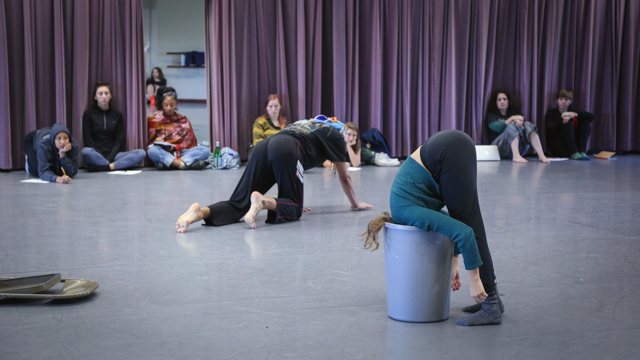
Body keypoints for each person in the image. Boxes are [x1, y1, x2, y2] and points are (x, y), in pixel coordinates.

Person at [362, 130, 503, 326]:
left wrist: (475, 281)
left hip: (447, 151)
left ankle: (491, 305)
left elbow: (465, 233)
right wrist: (454, 263)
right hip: (451, 145)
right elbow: (450, 225)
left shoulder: (407, 213)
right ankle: (492, 300)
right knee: (467, 220)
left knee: (471, 225)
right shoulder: (403, 208)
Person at [175, 117, 373, 232]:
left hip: (264, 147)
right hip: (287, 148)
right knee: (294, 208)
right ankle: (260, 201)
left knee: (238, 203)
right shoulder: (335, 136)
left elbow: (288, 167)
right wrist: (355, 204)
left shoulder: (309, 124)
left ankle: (199, 212)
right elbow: (344, 177)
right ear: (341, 131)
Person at [81, 82, 146, 172]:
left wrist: (111, 157)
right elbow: (88, 139)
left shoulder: (117, 115)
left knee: (141, 153)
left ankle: (105, 167)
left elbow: (118, 140)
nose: (104, 96)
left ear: (111, 96)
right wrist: (101, 156)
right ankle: (112, 166)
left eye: (106, 93)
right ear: (95, 97)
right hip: (96, 155)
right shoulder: (89, 114)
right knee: (86, 151)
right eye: (100, 94)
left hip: (114, 155)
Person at [147, 87, 210, 170]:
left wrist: (175, 147)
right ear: (162, 104)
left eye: (171, 105)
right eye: (166, 105)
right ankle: (184, 164)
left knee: (205, 150)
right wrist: (158, 141)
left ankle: (171, 164)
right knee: (152, 150)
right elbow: (151, 142)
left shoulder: (183, 119)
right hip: (167, 152)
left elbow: (189, 142)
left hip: (183, 151)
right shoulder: (154, 119)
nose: (169, 108)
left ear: (176, 104)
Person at [485, 90, 549, 163]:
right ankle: (516, 156)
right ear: (495, 102)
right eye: (499, 99)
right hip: (499, 148)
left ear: (508, 101)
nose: (502, 101)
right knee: (512, 125)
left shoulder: (515, 113)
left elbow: (524, 128)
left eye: (504, 99)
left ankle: (541, 155)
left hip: (518, 147)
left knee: (528, 124)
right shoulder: (492, 116)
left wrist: (520, 122)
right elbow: (498, 128)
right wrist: (512, 119)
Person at [322, 122, 399, 168]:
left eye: (354, 135)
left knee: (367, 153)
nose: (351, 138)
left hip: (371, 157)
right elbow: (325, 163)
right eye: (349, 134)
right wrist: (340, 166)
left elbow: (356, 164)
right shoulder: (336, 143)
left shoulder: (357, 143)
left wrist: (349, 146)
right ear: (343, 134)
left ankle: (381, 156)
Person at [545, 89, 594, 160]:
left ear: (570, 101)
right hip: (558, 146)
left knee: (586, 122)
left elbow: (591, 117)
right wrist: (562, 117)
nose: (563, 102)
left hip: (574, 145)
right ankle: (574, 153)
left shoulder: (572, 112)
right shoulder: (551, 114)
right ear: (557, 100)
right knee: (566, 121)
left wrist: (575, 115)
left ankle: (582, 152)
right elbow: (552, 130)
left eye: (566, 100)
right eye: (561, 99)